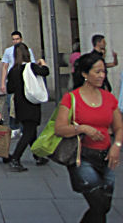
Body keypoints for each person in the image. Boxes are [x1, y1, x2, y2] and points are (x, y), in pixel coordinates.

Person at [55, 51, 123, 222]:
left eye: (103, 72)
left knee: (104, 206)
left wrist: (117, 146)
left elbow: (119, 127)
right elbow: (60, 129)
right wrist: (83, 128)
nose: (102, 76)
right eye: (97, 72)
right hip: (82, 157)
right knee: (98, 205)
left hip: (106, 157)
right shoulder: (71, 98)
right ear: (85, 74)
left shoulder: (109, 98)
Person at [5, 43, 49, 171]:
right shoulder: (31, 67)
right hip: (30, 103)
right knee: (28, 132)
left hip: (19, 103)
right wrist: (43, 63)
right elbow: (46, 72)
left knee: (31, 131)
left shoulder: (13, 70)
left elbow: (10, 88)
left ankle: (38, 156)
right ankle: (15, 158)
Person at [1, 30, 37, 137]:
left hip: (25, 80)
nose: (15, 41)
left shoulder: (27, 50)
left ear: (21, 39)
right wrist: (3, 82)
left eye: (17, 39)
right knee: (11, 105)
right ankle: (13, 127)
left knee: (23, 106)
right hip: (12, 79)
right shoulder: (8, 51)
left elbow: (32, 64)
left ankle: (22, 128)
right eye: (13, 39)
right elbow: (5, 66)